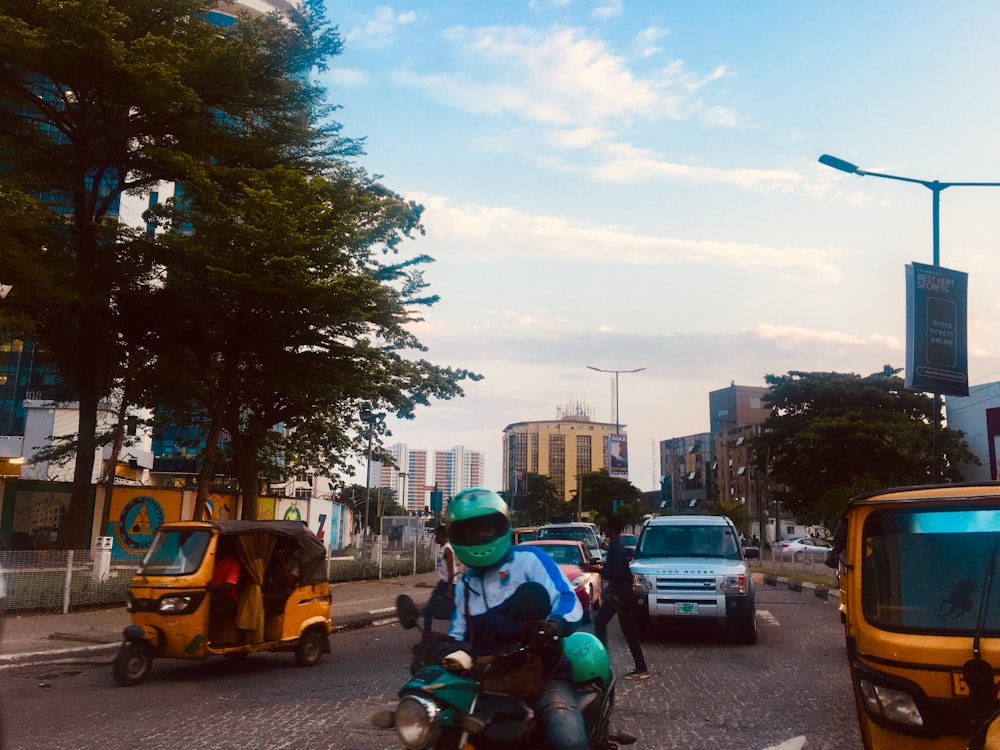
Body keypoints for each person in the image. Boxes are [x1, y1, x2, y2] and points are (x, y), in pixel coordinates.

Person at [445, 487, 589, 750]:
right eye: (470, 531)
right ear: (458, 537)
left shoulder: (530, 561)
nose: (479, 536)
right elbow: (456, 636)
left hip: (543, 675)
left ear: (500, 528)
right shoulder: (464, 587)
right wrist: (441, 650)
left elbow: (568, 601)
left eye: (486, 529)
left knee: (567, 736)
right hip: (487, 683)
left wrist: (552, 625)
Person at [588, 515, 649, 680]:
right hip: (618, 595)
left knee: (619, 629)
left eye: (606, 526)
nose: (604, 529)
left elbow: (616, 573)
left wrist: (594, 569)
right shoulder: (615, 547)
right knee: (606, 624)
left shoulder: (616, 549)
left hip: (620, 596)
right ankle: (635, 667)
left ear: (612, 529)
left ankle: (633, 667)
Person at [423, 525, 456, 630]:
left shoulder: (447, 549)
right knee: (428, 609)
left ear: (441, 535)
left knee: (455, 612)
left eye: (436, 534)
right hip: (442, 585)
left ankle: (459, 636)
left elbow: (452, 571)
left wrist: (450, 590)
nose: (435, 537)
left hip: (449, 585)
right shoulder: (442, 548)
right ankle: (426, 635)